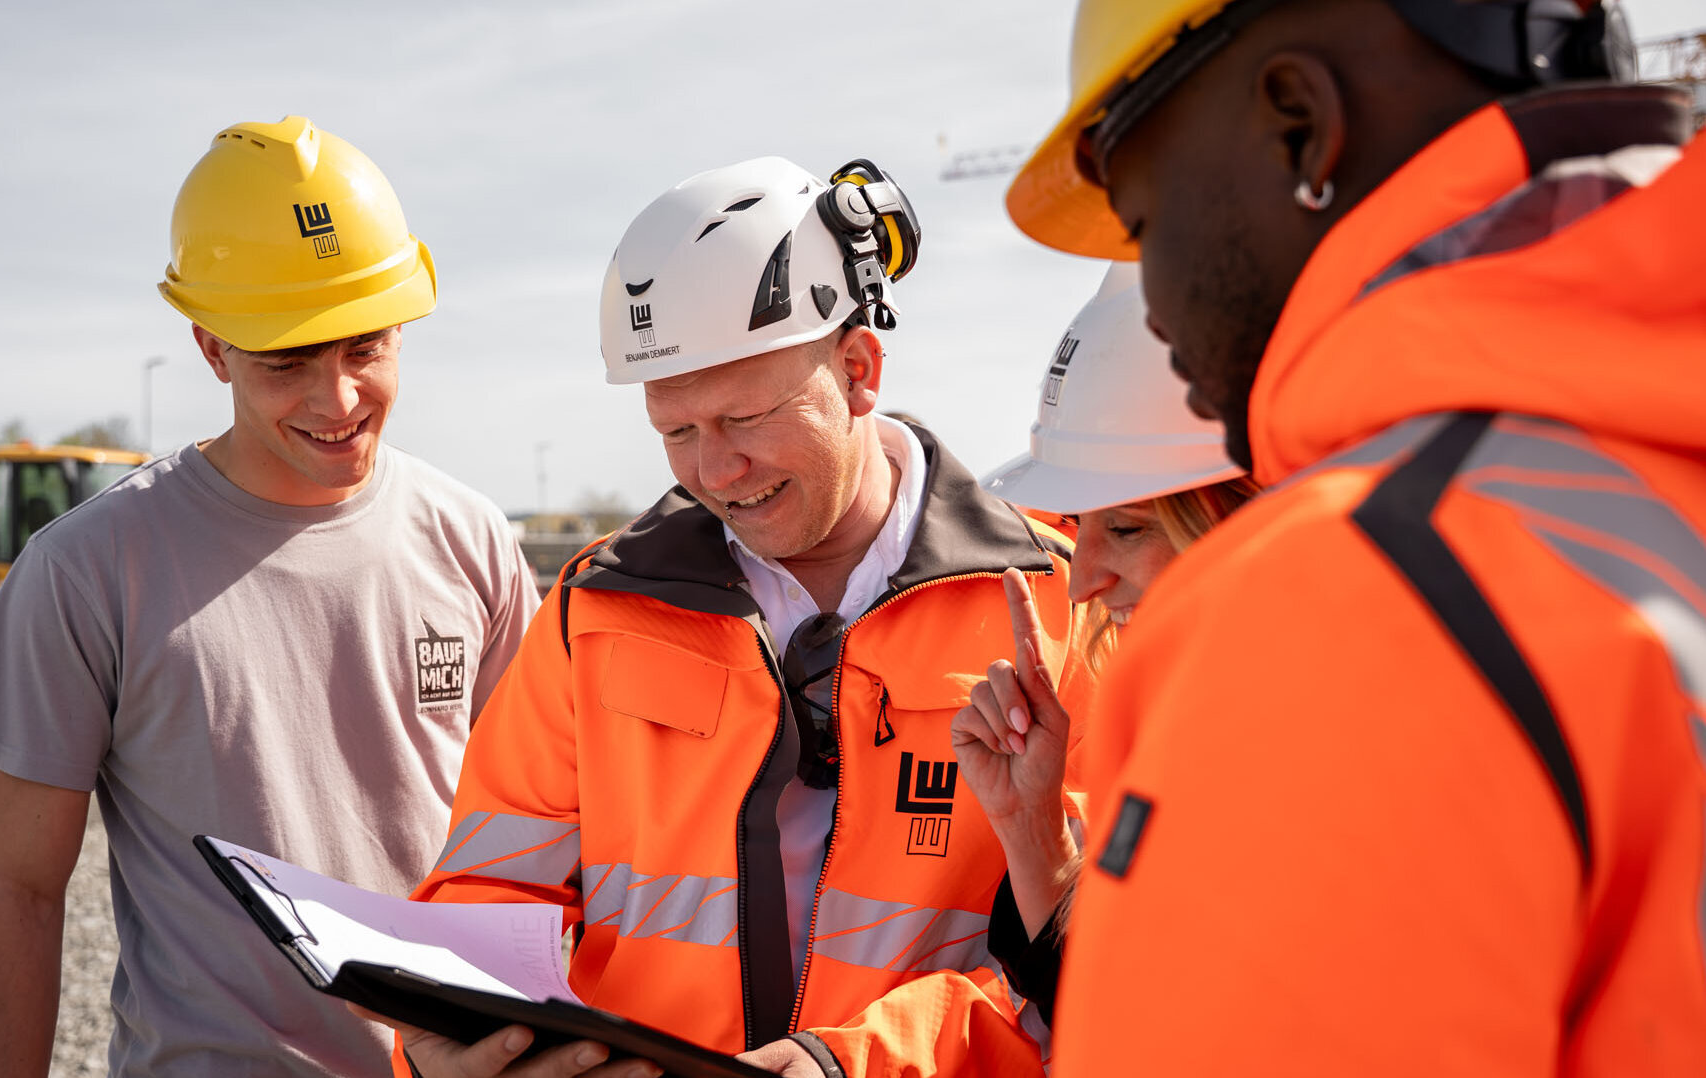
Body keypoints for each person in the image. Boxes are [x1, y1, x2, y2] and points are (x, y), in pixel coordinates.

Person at [1002, 0, 1706, 1073]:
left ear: (1297, 125)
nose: (1150, 307)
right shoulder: (1639, 470)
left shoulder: (1347, 601)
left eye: (1145, 226)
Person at [377, 156, 1088, 1078]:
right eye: (676, 431)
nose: (714, 473)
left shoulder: (1061, 606)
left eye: (748, 418)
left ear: (859, 369)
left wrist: (849, 1067)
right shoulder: (593, 611)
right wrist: (436, 1049)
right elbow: (488, 887)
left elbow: (1100, 959)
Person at [0, 116, 539, 1077]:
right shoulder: (89, 569)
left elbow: (549, 842)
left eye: (365, 349)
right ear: (211, 347)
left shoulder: (472, 542)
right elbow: (15, 889)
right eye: (286, 362)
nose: (338, 400)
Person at [955, 262, 1256, 1022]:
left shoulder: (1362, 758)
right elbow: (1126, 1012)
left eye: (1124, 528)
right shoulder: (1194, 731)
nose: (1081, 576)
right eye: (1078, 527)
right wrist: (1036, 835)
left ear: (1252, 513)